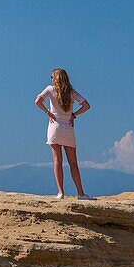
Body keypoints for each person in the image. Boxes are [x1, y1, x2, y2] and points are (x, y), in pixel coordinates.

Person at [35, 68, 93, 199]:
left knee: (57, 161)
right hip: (68, 128)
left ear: (55, 78)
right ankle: (80, 193)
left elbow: (37, 101)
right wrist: (74, 115)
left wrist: (47, 112)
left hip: (54, 127)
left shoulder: (50, 89)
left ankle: (61, 192)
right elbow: (86, 106)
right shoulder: (71, 92)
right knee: (73, 163)